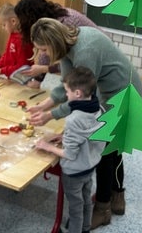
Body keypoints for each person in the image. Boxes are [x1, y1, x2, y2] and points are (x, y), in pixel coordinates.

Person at [26, 18, 142, 229]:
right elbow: (66, 86)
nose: (41, 54)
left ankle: (103, 209)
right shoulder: (65, 45)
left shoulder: (85, 50)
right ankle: (117, 198)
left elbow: (81, 98)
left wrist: (51, 115)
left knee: (105, 149)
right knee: (112, 147)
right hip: (109, 91)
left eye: (43, 49)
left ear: (53, 42)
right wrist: (43, 106)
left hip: (125, 94)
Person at [35, 66, 105, 233]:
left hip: (74, 171)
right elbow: (87, 136)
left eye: (67, 91)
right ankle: (86, 229)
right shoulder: (98, 108)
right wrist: (64, 137)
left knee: (75, 206)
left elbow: (69, 154)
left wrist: (47, 146)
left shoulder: (74, 119)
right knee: (86, 201)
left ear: (78, 94)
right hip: (90, 165)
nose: (66, 95)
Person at [14, 0, 99, 81]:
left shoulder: (65, 25)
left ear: (30, 19)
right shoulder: (53, 22)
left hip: (97, 66)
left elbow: (75, 69)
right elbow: (45, 55)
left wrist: (42, 70)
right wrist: (38, 78)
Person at [0, 4, 35, 85]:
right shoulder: (13, 35)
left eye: (4, 25)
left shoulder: (21, 40)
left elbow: (21, 66)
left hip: (23, 78)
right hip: (13, 76)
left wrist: (2, 70)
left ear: (13, 21)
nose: (3, 28)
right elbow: (7, 54)